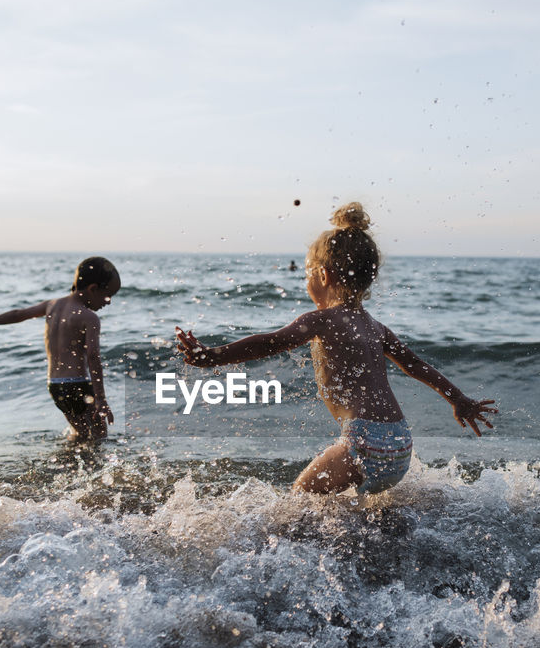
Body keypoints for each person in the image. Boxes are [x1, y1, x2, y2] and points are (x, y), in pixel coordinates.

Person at [176, 203, 496, 495]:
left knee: (298, 499)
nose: (306, 281)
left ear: (323, 275)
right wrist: (459, 399)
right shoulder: (375, 326)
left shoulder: (322, 321)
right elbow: (415, 365)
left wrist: (213, 357)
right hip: (399, 444)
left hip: (364, 441)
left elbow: (271, 342)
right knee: (348, 513)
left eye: (307, 273)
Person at [0, 257, 119, 441]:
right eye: (108, 295)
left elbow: (18, 314)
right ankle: (90, 468)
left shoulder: (52, 305)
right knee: (98, 435)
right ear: (93, 289)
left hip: (56, 386)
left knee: (80, 434)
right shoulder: (89, 317)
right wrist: (101, 399)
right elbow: (93, 356)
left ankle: (72, 463)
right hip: (77, 384)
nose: (108, 302)